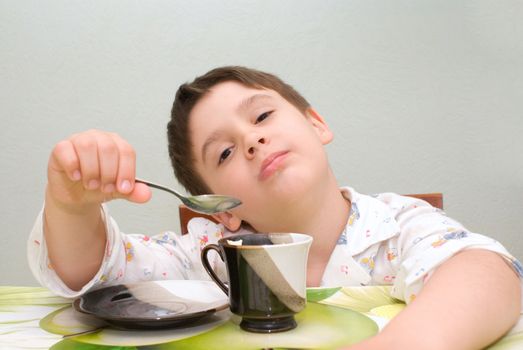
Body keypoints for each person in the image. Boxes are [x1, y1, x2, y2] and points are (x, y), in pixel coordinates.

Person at [28, 66, 522, 349]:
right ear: (220, 210)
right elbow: (95, 274)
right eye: (223, 153)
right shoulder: (212, 256)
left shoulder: (396, 226)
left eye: (262, 114)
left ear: (316, 124)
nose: (252, 139)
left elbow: (485, 272)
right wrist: (71, 208)